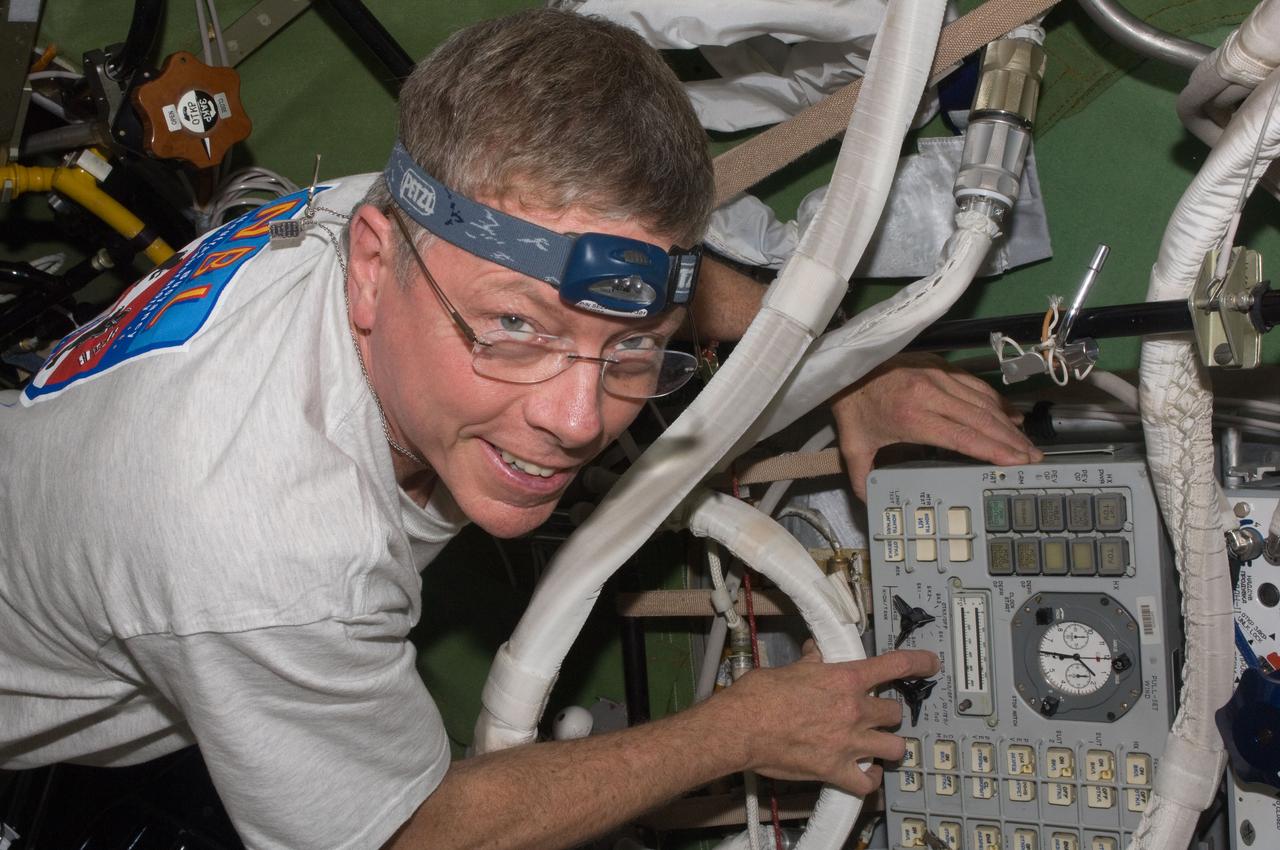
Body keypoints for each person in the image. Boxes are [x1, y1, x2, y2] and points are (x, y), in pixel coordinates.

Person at [0, 9, 1039, 849]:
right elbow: (409, 831)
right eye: (513, 330)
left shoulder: (436, 209)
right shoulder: (264, 551)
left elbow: (640, 278)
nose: (577, 418)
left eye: (634, 345)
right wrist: (739, 729)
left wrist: (840, 363)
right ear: (373, 266)